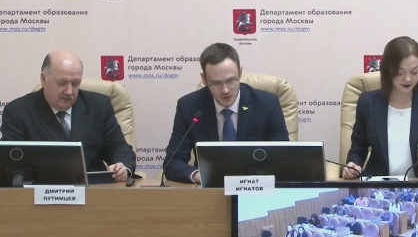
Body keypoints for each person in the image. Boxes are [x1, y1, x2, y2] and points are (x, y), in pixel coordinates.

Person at [0, 51, 136, 183]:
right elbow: (11, 164)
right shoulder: (18, 112)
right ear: (43, 79)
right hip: (39, 192)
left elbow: (119, 148)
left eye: (75, 83)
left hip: (92, 190)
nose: (69, 91)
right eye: (62, 83)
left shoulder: (99, 106)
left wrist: (122, 167)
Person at [163, 43, 289, 184]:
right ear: (204, 79)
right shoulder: (189, 107)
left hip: (256, 187)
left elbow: (283, 158)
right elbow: (173, 162)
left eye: (231, 81)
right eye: (216, 83)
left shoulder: (267, 104)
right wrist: (201, 176)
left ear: (240, 73)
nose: (225, 90)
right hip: (210, 189)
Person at [343, 36, 418, 179]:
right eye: (400, 72)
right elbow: (358, 149)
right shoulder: (368, 103)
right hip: (378, 185)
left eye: (414, 72)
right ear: (388, 70)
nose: (408, 79)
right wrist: (353, 165)